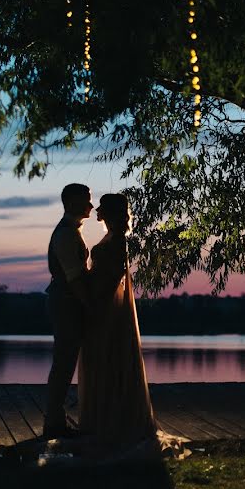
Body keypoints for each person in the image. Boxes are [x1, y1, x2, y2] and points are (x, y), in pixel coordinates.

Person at [77, 193, 157, 456]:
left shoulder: (118, 240)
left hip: (106, 309)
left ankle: (110, 422)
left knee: (108, 359)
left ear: (110, 212)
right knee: (102, 361)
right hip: (101, 305)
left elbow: (113, 277)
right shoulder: (111, 237)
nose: (97, 210)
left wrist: (93, 300)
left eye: (102, 207)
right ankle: (100, 419)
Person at [43, 183, 92, 439]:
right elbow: (74, 278)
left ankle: (56, 419)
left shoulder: (72, 232)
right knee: (63, 362)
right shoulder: (65, 235)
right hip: (65, 302)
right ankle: (53, 422)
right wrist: (91, 306)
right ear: (72, 201)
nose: (91, 206)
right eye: (87, 200)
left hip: (67, 301)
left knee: (65, 361)